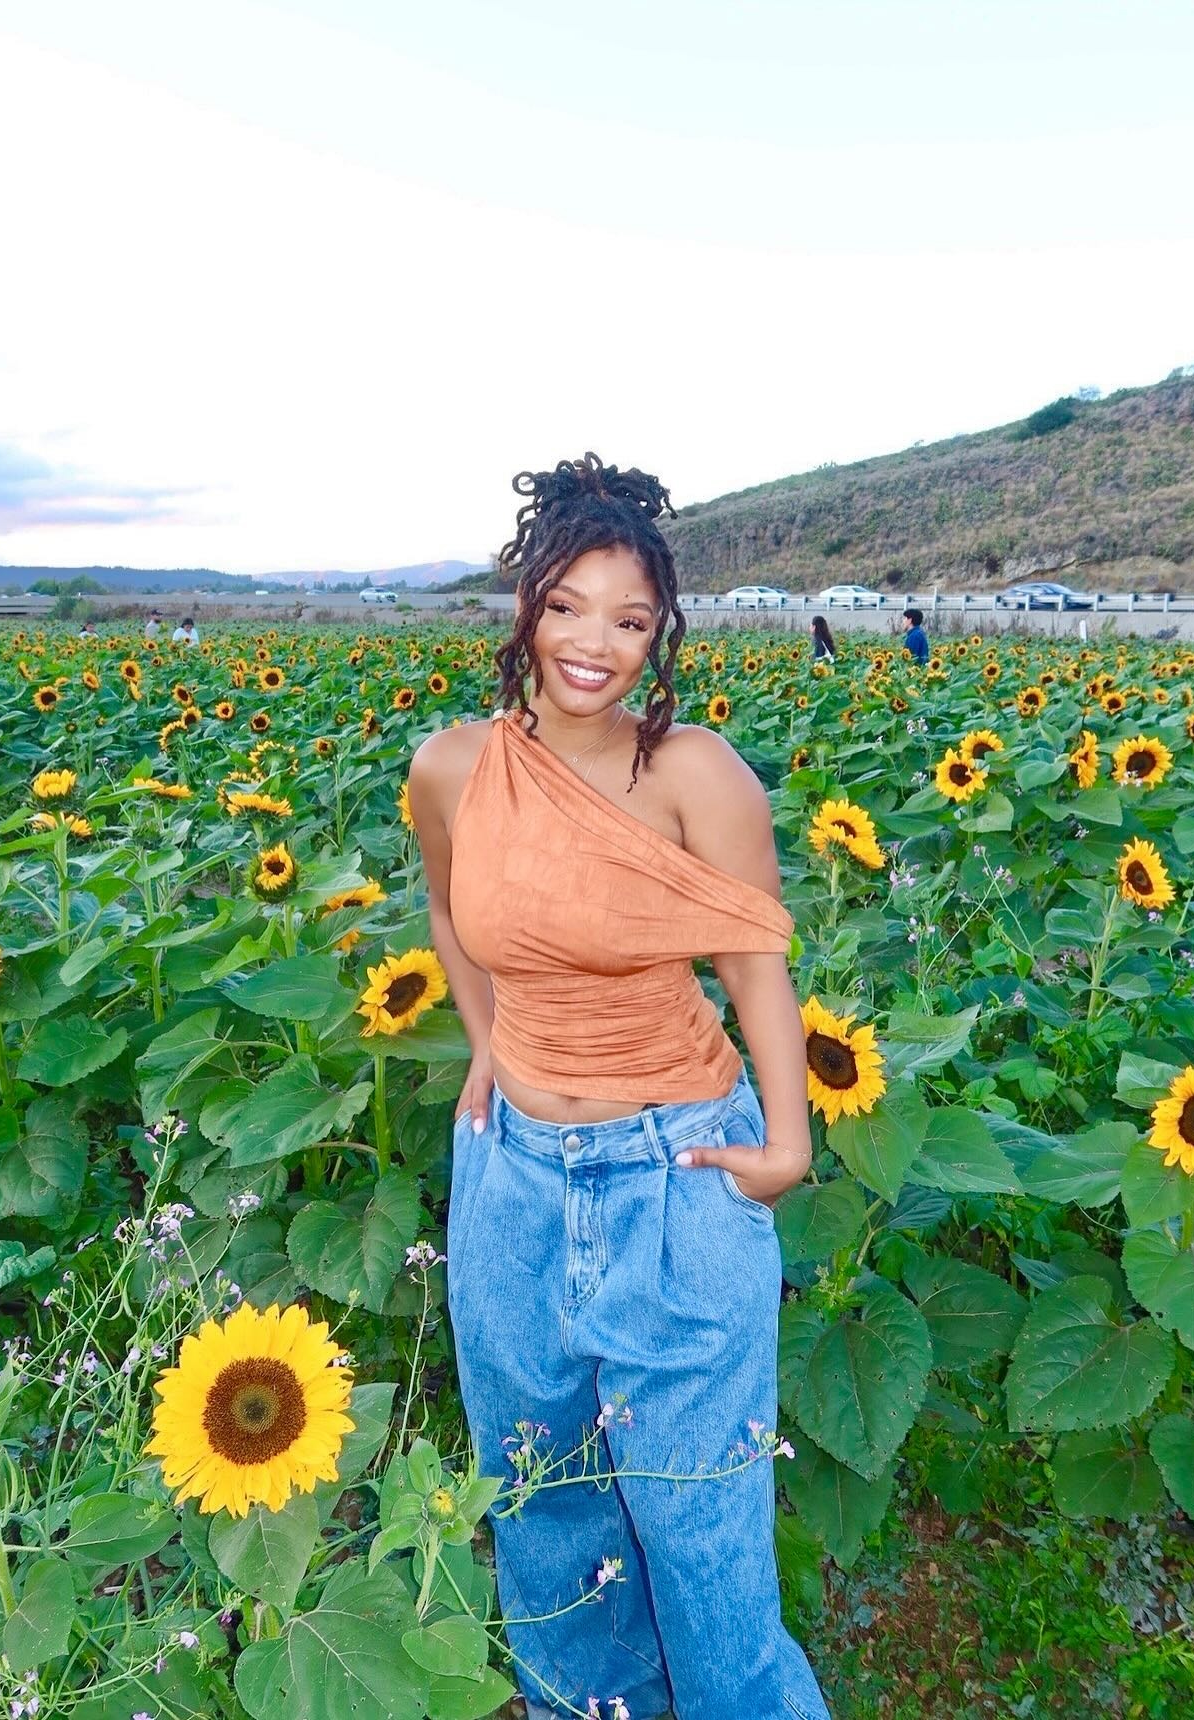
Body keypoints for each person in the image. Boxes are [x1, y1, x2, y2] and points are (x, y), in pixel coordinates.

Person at [409, 453, 827, 1720]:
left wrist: (789, 1142)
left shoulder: (695, 772)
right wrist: (489, 1041)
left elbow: (754, 960)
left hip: (678, 1171)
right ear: (524, 605)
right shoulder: (453, 768)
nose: (595, 644)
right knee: (542, 1504)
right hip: (514, 1182)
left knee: (702, 1531)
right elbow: (451, 911)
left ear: (662, 633)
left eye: (631, 620)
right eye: (569, 606)